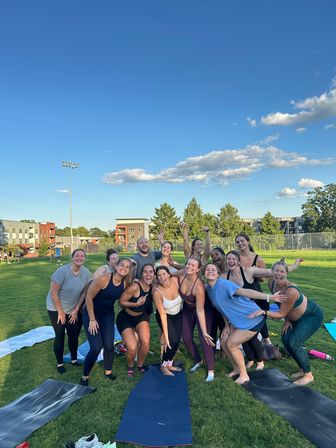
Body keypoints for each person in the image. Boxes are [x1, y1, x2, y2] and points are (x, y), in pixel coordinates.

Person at [204, 262, 285, 385]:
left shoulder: (224, 284)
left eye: (213, 270)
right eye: (207, 269)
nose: (210, 271)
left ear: (218, 274)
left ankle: (244, 375)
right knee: (224, 340)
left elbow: (245, 292)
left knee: (231, 344)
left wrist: (269, 297)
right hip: (239, 320)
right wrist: (226, 325)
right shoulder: (209, 289)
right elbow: (222, 308)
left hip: (252, 317)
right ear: (204, 273)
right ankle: (236, 369)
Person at [249, 260, 323, 386]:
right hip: (294, 317)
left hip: (311, 316)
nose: (278, 274)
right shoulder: (272, 282)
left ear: (286, 274)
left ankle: (308, 375)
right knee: (285, 339)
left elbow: (280, 315)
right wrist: (288, 319)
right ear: (272, 272)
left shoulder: (291, 291)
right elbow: (279, 303)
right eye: (276, 271)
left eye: (282, 271)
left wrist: (263, 312)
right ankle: (302, 367)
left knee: (294, 343)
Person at [224, 250, 302, 370]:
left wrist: (295, 266)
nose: (231, 261)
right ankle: (250, 359)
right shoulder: (225, 276)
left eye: (233, 259)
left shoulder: (249, 271)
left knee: (252, 336)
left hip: (259, 306)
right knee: (241, 335)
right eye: (228, 259)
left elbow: (273, 272)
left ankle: (260, 361)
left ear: (239, 261)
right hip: (243, 310)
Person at [80, 258, 133, 386]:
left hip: (107, 315)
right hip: (91, 314)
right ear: (116, 266)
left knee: (109, 346)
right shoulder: (104, 279)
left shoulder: (125, 283)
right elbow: (89, 298)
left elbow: (124, 300)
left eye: (127, 267)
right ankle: (84, 376)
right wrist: (92, 319)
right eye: (122, 265)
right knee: (96, 347)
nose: (124, 268)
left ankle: (108, 371)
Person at [46, 249, 91, 373]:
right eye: (77, 256)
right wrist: (60, 312)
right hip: (55, 308)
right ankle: (60, 364)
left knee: (73, 334)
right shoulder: (62, 271)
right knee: (60, 335)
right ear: (72, 257)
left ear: (85, 258)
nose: (79, 258)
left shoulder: (86, 273)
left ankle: (74, 359)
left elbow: (84, 292)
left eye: (82, 256)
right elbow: (54, 293)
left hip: (72, 309)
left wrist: (76, 309)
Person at [176, 258, 215, 382]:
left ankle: (211, 371)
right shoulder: (181, 274)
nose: (189, 267)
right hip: (187, 310)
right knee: (186, 337)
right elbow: (166, 276)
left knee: (205, 339)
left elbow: (200, 310)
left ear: (198, 269)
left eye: (193, 265)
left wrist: (204, 331)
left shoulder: (199, 286)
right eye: (188, 264)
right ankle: (198, 360)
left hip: (203, 310)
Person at [117, 263, 155, 377]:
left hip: (141, 317)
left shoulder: (153, 287)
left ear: (154, 274)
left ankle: (140, 365)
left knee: (146, 342)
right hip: (126, 318)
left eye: (151, 272)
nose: (148, 274)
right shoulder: (135, 287)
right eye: (145, 272)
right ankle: (130, 366)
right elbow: (121, 301)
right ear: (141, 274)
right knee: (132, 347)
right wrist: (135, 303)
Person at [153, 266, 184, 376]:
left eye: (164, 274)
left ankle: (169, 363)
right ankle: (163, 366)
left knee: (176, 340)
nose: (162, 277)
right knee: (172, 340)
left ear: (169, 274)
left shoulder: (175, 280)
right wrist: (166, 336)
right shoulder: (157, 292)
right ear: (157, 278)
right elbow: (162, 315)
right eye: (159, 275)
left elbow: (185, 270)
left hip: (177, 314)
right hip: (165, 316)